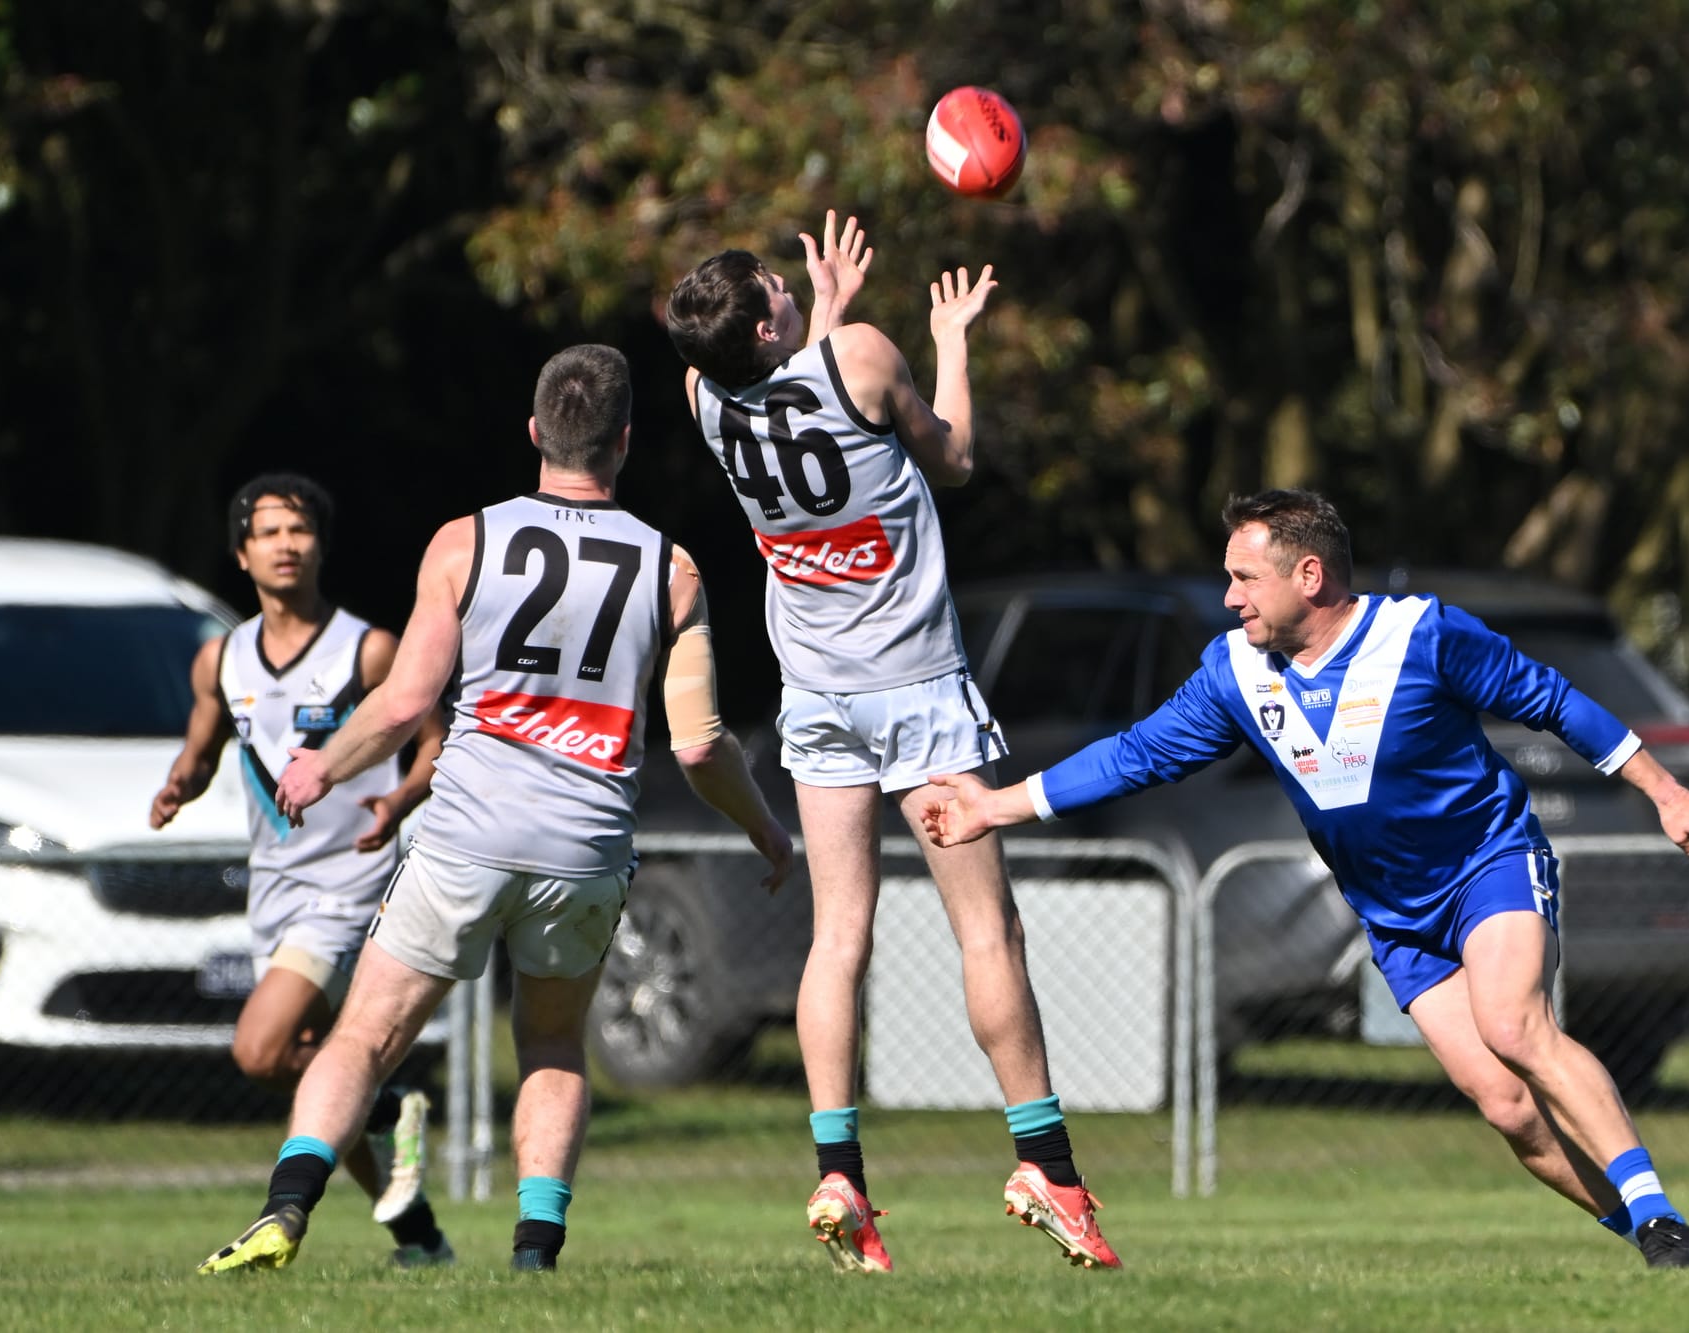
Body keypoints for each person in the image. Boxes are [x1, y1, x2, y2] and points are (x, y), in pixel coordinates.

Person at [920, 488, 1689, 1270]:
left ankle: (1658, 1215)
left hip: (1488, 862)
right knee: (1507, 1108)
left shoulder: (1421, 635)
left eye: (1245, 577)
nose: (1230, 598)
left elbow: (1552, 699)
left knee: (1513, 1023)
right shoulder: (1235, 672)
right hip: (1394, 915)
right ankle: (1659, 1238)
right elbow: (1139, 753)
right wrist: (998, 807)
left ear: (1308, 574)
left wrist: (1665, 789)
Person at [195, 344, 794, 1275]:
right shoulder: (669, 567)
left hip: (467, 832)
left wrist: (322, 764)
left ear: (533, 433)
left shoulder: (463, 541)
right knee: (553, 1040)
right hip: (585, 846)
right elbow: (700, 744)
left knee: (364, 1035)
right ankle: (534, 1257)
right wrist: (764, 826)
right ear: (625, 442)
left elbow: (401, 702)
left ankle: (285, 1209)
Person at [664, 211, 1119, 1272]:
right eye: (776, 289)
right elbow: (949, 457)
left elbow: (799, 392)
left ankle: (839, 1176)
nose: (787, 287)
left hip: (818, 696)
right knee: (985, 933)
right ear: (772, 332)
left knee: (839, 936)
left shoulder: (699, 395)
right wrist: (951, 333)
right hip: (915, 691)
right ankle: (1046, 1167)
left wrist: (818, 308)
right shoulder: (865, 355)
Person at [151, 472, 453, 1268]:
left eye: (300, 530)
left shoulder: (368, 649)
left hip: (349, 885)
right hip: (273, 891)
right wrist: (179, 784)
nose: (287, 544)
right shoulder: (221, 659)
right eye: (269, 531)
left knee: (260, 1048)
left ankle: (386, 1104)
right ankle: (419, 1237)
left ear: (321, 544)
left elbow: (435, 742)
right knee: (318, 1075)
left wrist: (397, 804)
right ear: (241, 552)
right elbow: (204, 747)